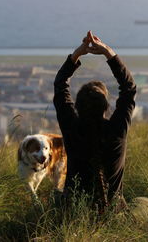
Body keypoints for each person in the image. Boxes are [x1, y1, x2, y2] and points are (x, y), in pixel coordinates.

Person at [53, 31, 137, 214]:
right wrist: (107, 51)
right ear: (105, 107)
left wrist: (77, 54)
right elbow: (129, 89)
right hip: (114, 213)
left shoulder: (72, 128)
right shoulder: (116, 131)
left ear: (77, 106)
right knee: (143, 203)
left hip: (74, 212)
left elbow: (60, 86)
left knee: (55, 195)